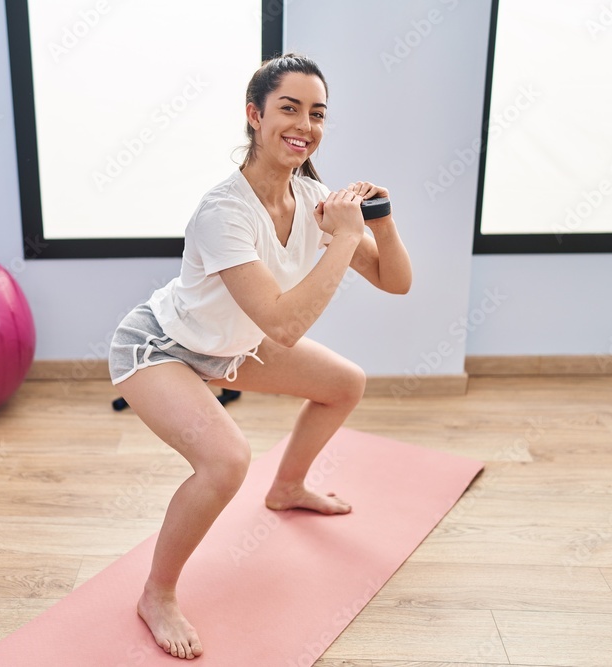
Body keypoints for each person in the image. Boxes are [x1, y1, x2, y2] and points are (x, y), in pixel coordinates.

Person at [107, 53, 412, 660]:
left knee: (345, 383)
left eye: (317, 113)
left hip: (233, 343)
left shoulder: (314, 198)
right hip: (161, 348)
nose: (305, 124)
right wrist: (347, 235)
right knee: (225, 460)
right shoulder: (224, 212)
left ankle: (289, 486)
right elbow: (285, 322)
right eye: (289, 108)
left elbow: (396, 281)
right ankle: (157, 593)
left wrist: (381, 220)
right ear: (255, 115)